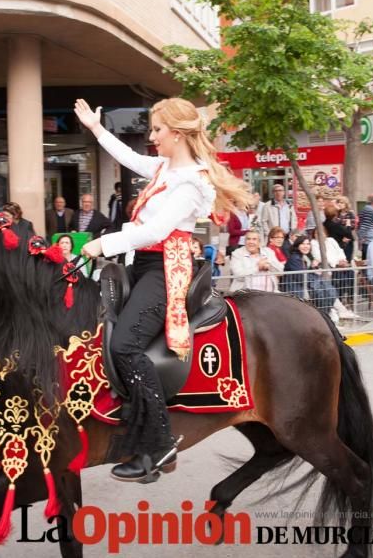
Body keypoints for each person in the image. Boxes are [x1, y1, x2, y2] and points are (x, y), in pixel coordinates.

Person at [74, 96, 249, 482]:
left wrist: (103, 244)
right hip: (143, 264)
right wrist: (96, 129)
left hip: (166, 269)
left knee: (125, 345)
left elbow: (155, 232)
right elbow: (130, 158)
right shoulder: (167, 168)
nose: (151, 137)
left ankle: (160, 442)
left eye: (157, 130)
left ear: (178, 133)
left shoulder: (191, 182)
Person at [281, 235, 340, 322]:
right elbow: (301, 277)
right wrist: (317, 280)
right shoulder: (295, 258)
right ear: (297, 245)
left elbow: (306, 273)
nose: (306, 246)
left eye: (308, 244)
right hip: (295, 287)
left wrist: (313, 269)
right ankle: (324, 315)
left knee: (329, 289)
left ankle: (325, 314)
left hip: (303, 284)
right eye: (303, 244)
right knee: (325, 290)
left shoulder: (303, 257)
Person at [310, 228, 356, 318]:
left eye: (321, 233)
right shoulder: (313, 243)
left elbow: (340, 250)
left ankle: (348, 300)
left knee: (351, 274)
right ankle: (338, 304)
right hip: (330, 266)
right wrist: (336, 262)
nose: (319, 235)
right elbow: (320, 257)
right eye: (316, 234)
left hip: (340, 263)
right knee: (340, 279)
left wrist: (343, 259)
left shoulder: (331, 240)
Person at [358, 194, 373, 260]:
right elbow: (364, 226)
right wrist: (361, 239)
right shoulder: (369, 210)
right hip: (369, 242)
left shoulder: (371, 210)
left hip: (371, 241)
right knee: (369, 263)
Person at [335, 195, 356, 262]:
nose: (340, 204)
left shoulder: (350, 213)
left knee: (347, 259)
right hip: (338, 239)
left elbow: (352, 226)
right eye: (339, 203)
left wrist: (344, 224)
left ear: (346, 204)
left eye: (342, 202)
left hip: (348, 238)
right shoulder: (337, 213)